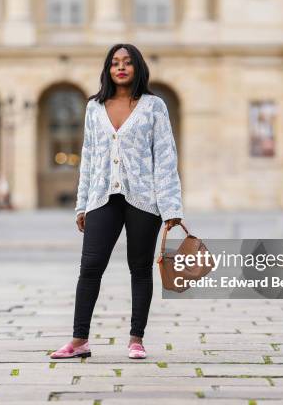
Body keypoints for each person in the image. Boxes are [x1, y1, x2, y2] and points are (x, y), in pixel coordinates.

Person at [50, 43, 184, 360]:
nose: (120, 67)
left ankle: (136, 339)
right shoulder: (94, 107)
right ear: (108, 69)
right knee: (90, 267)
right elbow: (89, 158)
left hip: (144, 200)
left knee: (139, 268)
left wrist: (171, 207)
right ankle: (79, 340)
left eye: (127, 62)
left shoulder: (154, 106)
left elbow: (165, 158)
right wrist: (82, 204)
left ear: (137, 67)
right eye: (114, 63)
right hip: (101, 197)